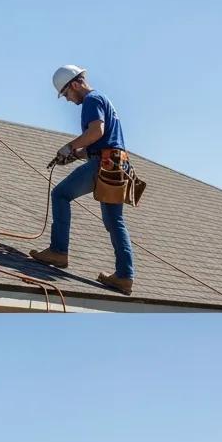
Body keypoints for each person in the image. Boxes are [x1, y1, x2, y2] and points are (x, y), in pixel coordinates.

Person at [30, 66, 136, 296]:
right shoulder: (103, 99)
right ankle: (125, 277)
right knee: (114, 221)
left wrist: (70, 146)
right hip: (117, 162)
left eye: (66, 93)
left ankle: (58, 251)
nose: (68, 99)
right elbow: (102, 141)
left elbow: (96, 132)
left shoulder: (91, 100)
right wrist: (73, 156)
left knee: (60, 194)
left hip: (105, 162)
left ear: (75, 85)